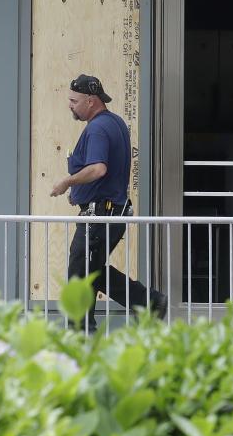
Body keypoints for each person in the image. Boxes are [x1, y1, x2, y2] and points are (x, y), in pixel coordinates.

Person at [50, 73, 167, 331]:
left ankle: (80, 330)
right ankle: (148, 303)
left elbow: (98, 169)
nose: (70, 105)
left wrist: (67, 183)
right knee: (89, 270)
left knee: (80, 273)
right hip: (107, 211)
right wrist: (79, 193)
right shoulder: (114, 123)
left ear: (91, 100)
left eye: (74, 100)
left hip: (100, 215)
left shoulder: (98, 128)